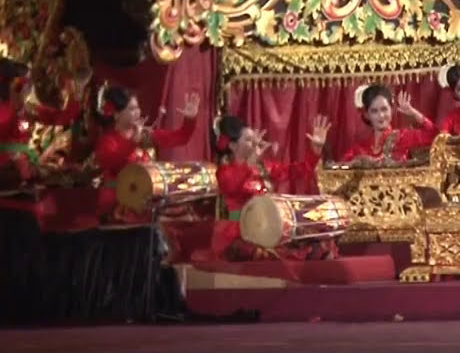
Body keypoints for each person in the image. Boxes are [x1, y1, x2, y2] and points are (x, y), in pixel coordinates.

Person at [210, 114, 333, 261]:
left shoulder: (264, 167)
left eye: (255, 139)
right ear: (233, 145)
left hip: (268, 228)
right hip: (240, 231)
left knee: (319, 243)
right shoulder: (224, 171)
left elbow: (298, 171)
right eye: (249, 140)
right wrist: (250, 163)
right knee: (256, 252)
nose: (255, 143)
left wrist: (315, 150)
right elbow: (233, 185)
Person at [93, 85, 199, 223]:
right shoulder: (108, 141)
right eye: (131, 109)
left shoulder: (144, 135)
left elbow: (180, 138)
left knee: (184, 213)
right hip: (119, 202)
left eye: (137, 107)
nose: (137, 112)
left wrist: (190, 119)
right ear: (116, 114)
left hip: (144, 199)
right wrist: (133, 143)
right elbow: (115, 164)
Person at [338, 84, 435, 164]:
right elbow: (340, 169)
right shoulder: (359, 149)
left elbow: (434, 135)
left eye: (384, 109)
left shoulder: (402, 137)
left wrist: (413, 113)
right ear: (367, 115)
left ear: (391, 110)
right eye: (374, 111)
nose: (381, 115)